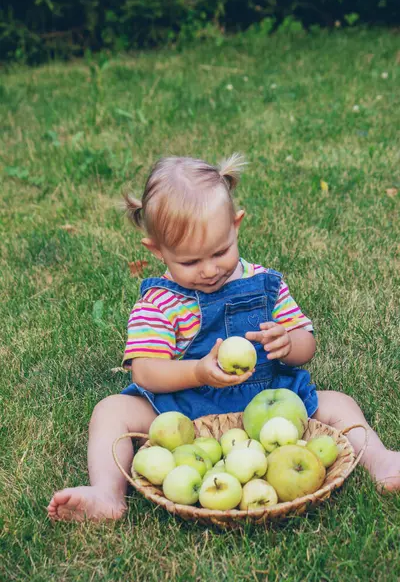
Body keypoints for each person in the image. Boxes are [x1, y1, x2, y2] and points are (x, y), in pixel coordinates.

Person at [47, 154, 400, 522]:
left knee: (339, 403)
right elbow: (145, 373)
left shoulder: (265, 284)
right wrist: (198, 372)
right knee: (110, 411)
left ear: (236, 226)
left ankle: (381, 461)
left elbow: (306, 343)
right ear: (157, 251)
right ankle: (107, 494)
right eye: (189, 262)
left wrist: (289, 343)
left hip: (267, 407)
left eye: (220, 252)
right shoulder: (160, 302)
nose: (210, 269)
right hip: (184, 412)